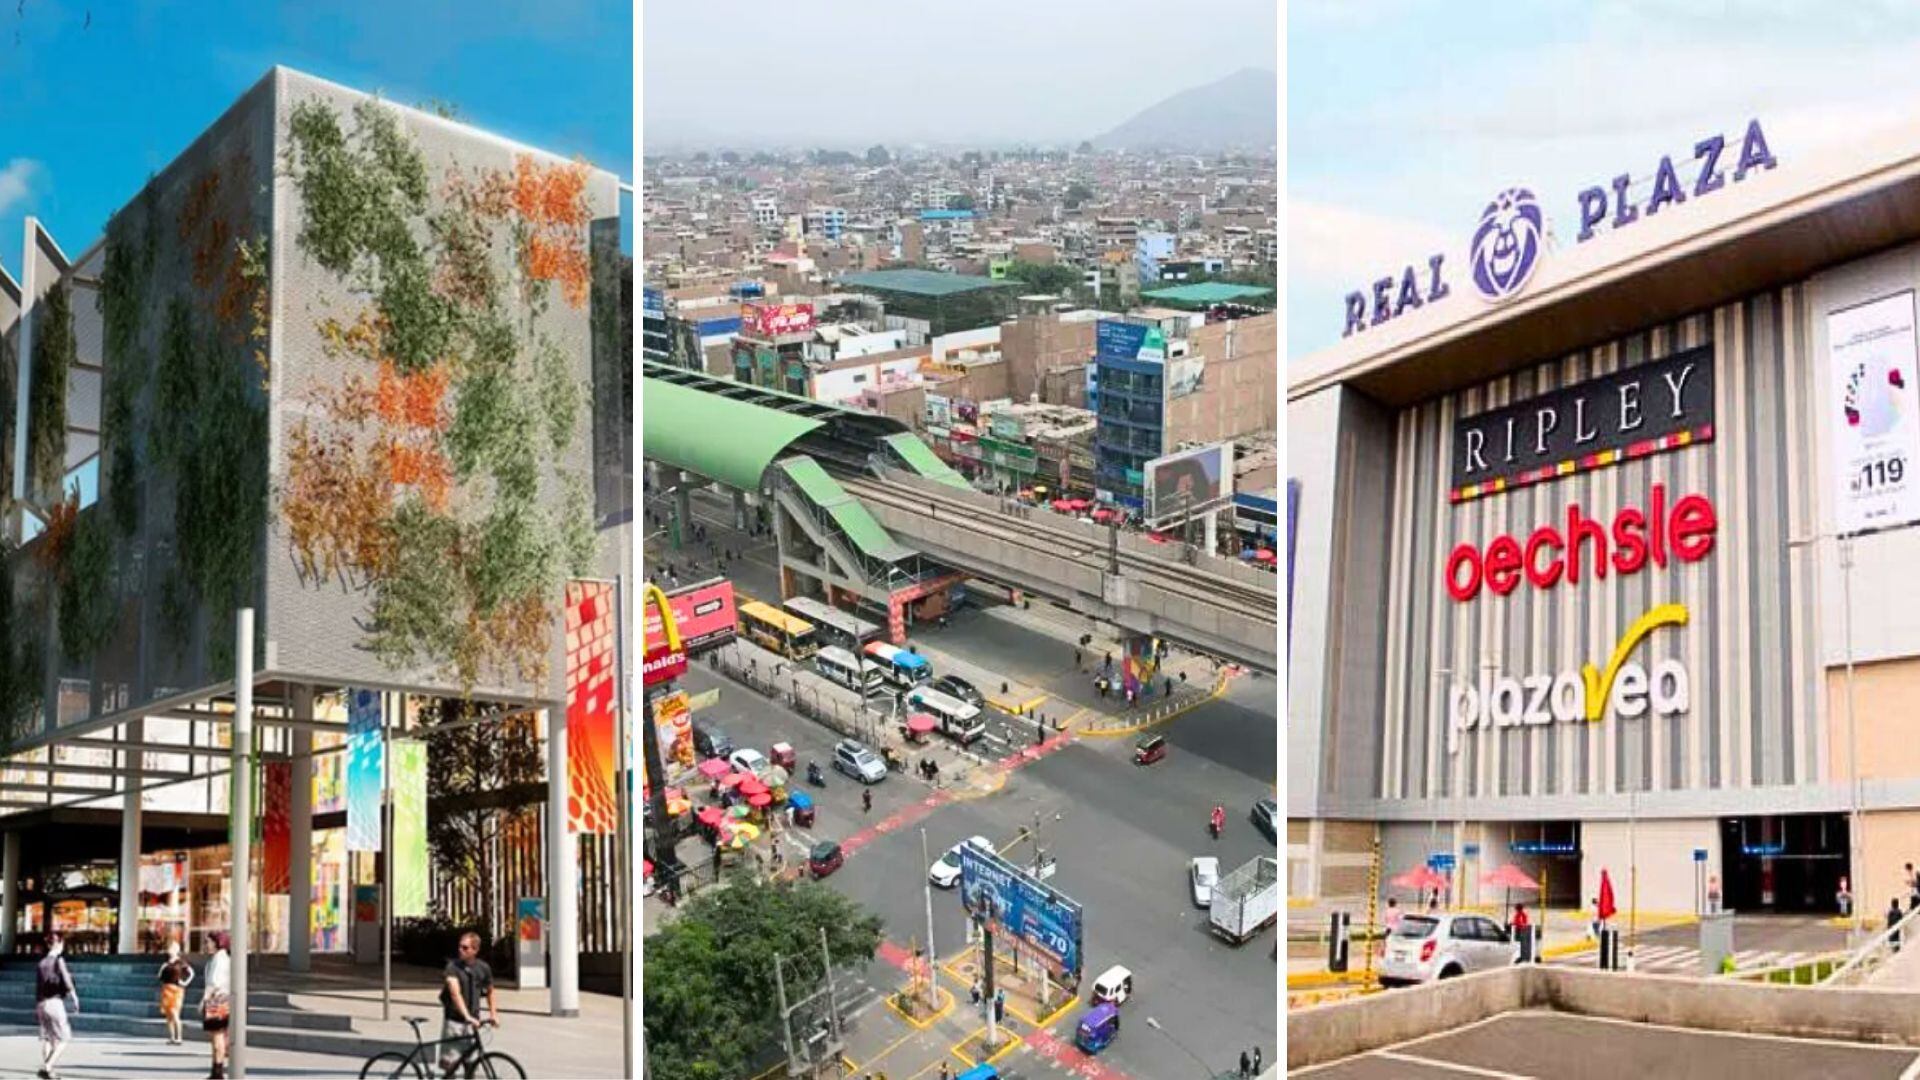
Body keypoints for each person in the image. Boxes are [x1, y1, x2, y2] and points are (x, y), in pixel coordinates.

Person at [440, 931, 499, 1077]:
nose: (461, 950)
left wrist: (493, 1014)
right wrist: (466, 1015)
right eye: (460, 946)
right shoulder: (452, 967)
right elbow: (455, 993)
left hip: (473, 1022)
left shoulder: (483, 968)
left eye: (465, 948)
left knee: (471, 1066)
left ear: (475, 950)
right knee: (450, 1067)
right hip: (454, 1021)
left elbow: (490, 991)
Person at [36, 932, 77, 1080]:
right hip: (54, 1002)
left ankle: (48, 1071)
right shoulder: (59, 960)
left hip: (41, 1003)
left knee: (48, 1037)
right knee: (65, 1037)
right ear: (58, 944)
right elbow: (66, 979)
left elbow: (39, 986)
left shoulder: (41, 963)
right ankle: (47, 1067)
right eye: (62, 944)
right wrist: (74, 997)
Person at [203, 931, 233, 1079]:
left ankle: (218, 1071)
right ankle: (216, 1070)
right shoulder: (220, 958)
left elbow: (213, 982)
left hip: (218, 1000)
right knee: (217, 1037)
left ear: (217, 943)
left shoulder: (219, 959)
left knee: (217, 1038)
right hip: (220, 999)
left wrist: (204, 999)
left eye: (208, 942)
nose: (206, 945)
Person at [157, 939, 195, 1046]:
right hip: (166, 989)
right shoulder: (166, 964)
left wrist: (185, 982)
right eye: (170, 948)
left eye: (172, 948)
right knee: (168, 1015)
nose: (170, 950)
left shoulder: (181, 962)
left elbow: (191, 973)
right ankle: (172, 1037)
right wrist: (162, 969)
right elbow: (159, 976)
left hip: (176, 990)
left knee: (175, 1013)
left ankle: (179, 1037)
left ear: (177, 950)